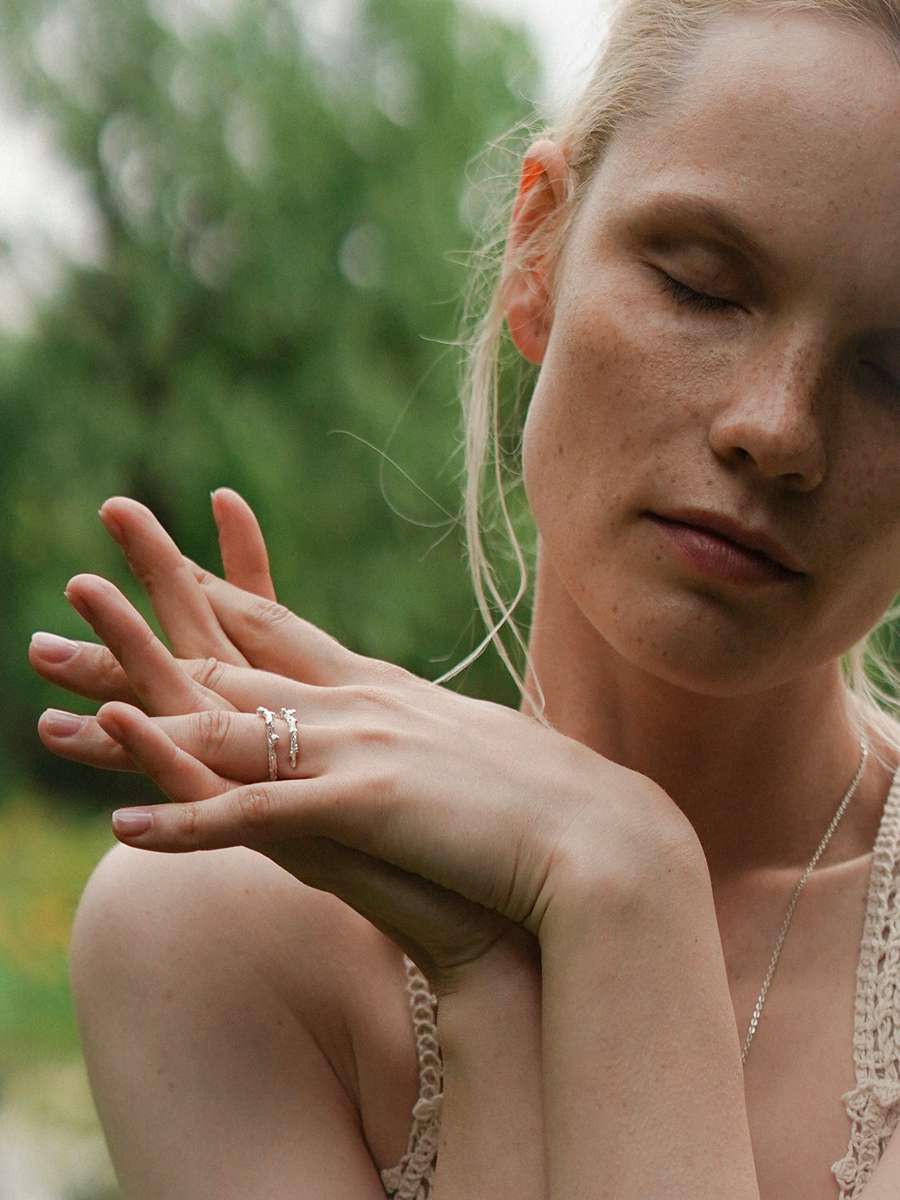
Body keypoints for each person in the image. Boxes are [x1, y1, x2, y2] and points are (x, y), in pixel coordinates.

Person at [27, 0, 900, 1196]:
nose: (778, 428)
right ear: (537, 253)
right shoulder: (224, 927)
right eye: (704, 287)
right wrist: (507, 958)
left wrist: (628, 893)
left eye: (895, 372)